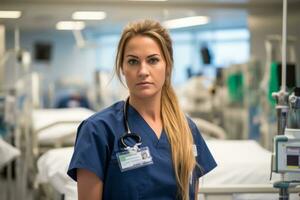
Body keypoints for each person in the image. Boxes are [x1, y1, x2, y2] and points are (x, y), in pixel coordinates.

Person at [67, 19, 217, 200]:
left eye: (153, 60)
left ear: (167, 66)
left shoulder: (187, 129)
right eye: (133, 61)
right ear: (122, 68)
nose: (143, 71)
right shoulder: (98, 130)